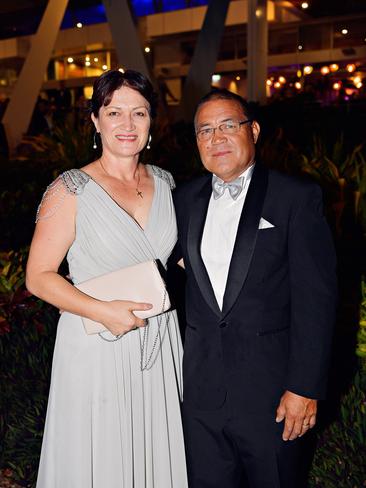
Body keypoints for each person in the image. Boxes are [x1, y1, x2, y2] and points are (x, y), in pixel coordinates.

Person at [26, 69, 188, 488]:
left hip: (159, 340)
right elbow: (39, 278)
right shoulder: (71, 188)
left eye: (139, 112)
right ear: (96, 120)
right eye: (114, 112)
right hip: (96, 343)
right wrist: (104, 312)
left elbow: (174, 262)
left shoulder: (168, 184)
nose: (127, 124)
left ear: (153, 121)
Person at [173, 88, 337, 488]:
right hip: (200, 399)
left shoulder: (296, 197)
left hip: (273, 398)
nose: (217, 138)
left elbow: (317, 300)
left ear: (255, 130)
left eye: (229, 125)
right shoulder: (182, 200)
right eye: (205, 130)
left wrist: (303, 387)